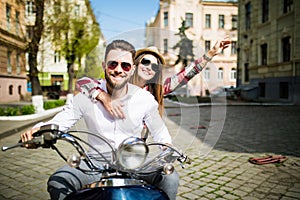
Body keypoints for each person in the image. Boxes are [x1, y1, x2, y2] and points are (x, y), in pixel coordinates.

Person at [21, 40, 179, 200]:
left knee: (170, 178)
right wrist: (38, 131)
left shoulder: (145, 98)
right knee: (58, 181)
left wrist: (167, 147)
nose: (118, 70)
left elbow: (160, 132)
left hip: (135, 163)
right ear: (104, 65)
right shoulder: (86, 96)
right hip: (95, 163)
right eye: (113, 64)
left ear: (132, 69)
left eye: (125, 65)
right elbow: (61, 121)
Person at [77, 36, 231, 119]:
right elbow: (82, 82)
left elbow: (186, 74)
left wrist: (210, 53)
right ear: (135, 64)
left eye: (155, 66)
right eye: (145, 62)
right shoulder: (118, 82)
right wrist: (103, 96)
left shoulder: (155, 90)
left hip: (134, 153)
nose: (150, 67)